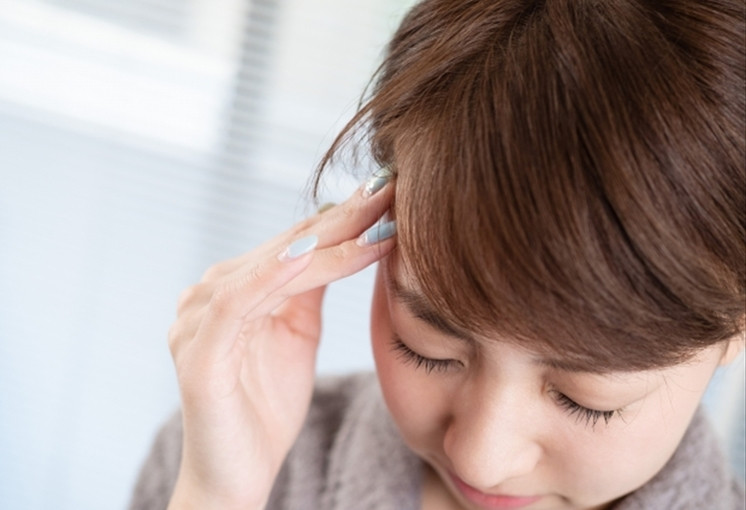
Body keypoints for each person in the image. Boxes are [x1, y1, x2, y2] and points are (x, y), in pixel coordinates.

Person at [129, 0, 746, 508]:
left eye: (586, 400)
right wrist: (218, 496)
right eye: (426, 348)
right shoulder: (229, 457)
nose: (480, 457)